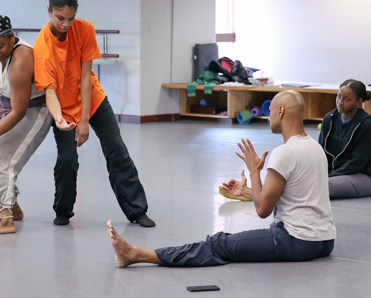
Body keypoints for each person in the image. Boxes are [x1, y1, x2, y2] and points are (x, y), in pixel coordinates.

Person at [107, 90, 336, 267]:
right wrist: (246, 191)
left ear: (281, 111)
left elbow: (263, 209)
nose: (267, 117)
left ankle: (137, 254)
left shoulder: (284, 153)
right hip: (324, 242)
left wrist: (254, 172)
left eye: (270, 111)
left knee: (218, 243)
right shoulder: (315, 148)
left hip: (296, 241)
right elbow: (294, 195)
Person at [33, 0, 154, 227]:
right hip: (62, 109)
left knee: (117, 150)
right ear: (48, 10)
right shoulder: (42, 47)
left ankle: (136, 210)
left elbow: (87, 77)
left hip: (93, 101)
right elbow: (50, 92)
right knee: (67, 159)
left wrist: (85, 119)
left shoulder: (85, 29)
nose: (66, 24)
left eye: (71, 17)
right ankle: (63, 210)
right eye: (60, 17)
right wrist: (59, 119)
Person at [0, 14, 52, 235]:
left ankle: (5, 221)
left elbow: (19, 111)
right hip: (4, 105)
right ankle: (12, 208)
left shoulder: (22, 57)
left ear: (11, 37)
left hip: (32, 110)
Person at [318, 79, 371, 199]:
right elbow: (321, 153)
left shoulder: (367, 125)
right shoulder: (329, 118)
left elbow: (356, 163)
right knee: (301, 182)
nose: (340, 103)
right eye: (338, 96)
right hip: (334, 175)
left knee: (318, 188)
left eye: (347, 100)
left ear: (358, 101)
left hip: (361, 176)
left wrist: (329, 177)